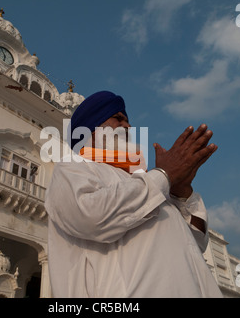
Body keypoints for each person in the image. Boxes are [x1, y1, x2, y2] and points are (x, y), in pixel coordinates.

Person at [44, 91, 223, 298]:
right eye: (118, 118)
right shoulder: (72, 168)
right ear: (90, 129)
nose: (128, 126)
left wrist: (180, 191)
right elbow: (90, 216)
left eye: (127, 121)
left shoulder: (146, 184)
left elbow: (196, 244)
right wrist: (165, 175)